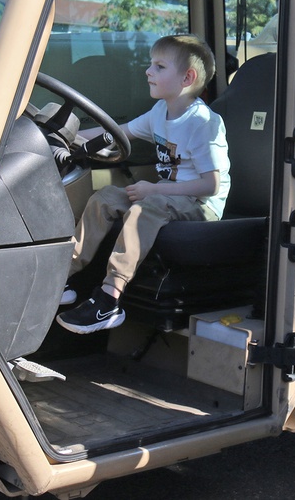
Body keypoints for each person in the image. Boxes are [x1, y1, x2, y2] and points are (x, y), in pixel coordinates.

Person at [56, 34, 230, 334]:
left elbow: (210, 185)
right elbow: (116, 133)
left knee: (144, 208)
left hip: (202, 206)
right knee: (105, 197)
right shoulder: (160, 113)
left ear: (187, 78)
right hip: (168, 196)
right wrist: (66, 136)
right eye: (151, 64)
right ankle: (62, 277)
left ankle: (109, 299)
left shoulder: (202, 123)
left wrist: (154, 189)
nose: (148, 72)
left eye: (159, 67)